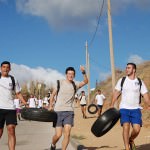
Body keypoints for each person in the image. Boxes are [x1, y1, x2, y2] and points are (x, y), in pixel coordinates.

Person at [110, 62, 150, 150]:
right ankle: (127, 147)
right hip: (124, 108)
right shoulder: (122, 80)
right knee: (126, 126)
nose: (126, 69)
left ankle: (131, 139)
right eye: (126, 67)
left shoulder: (139, 82)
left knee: (137, 129)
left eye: (129, 68)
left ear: (134, 70)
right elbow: (116, 93)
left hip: (136, 109)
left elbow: (145, 94)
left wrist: (148, 104)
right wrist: (112, 104)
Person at [49, 65, 88, 150]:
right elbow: (52, 95)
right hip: (58, 111)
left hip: (69, 112)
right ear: (66, 74)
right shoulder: (59, 82)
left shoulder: (75, 85)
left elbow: (86, 81)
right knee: (58, 135)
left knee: (67, 134)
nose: (70, 75)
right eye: (69, 73)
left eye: (72, 74)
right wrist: (50, 105)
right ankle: (53, 144)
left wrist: (83, 72)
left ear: (74, 75)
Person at [0, 61, 27, 150]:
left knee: (11, 130)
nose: (5, 69)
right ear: (1, 68)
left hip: (10, 108)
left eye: (7, 67)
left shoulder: (13, 79)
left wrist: (25, 103)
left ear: (10, 69)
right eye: (3, 67)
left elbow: (18, 93)